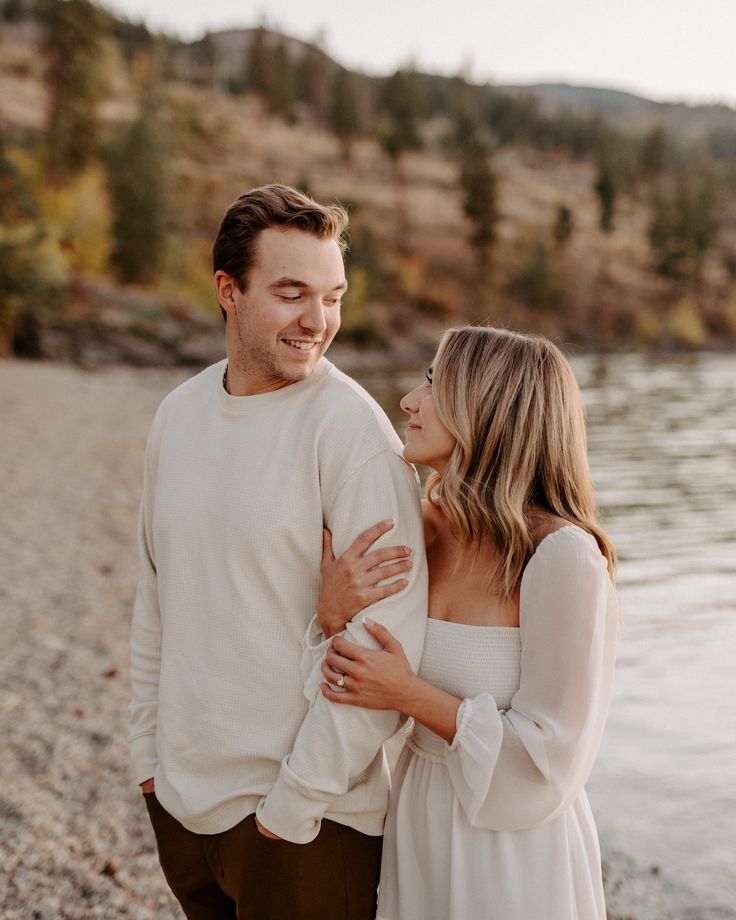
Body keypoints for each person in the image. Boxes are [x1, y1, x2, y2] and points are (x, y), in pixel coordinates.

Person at [128, 184, 429, 920]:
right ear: (228, 291)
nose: (318, 321)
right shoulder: (180, 414)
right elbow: (156, 597)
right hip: (183, 808)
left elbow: (390, 647)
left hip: (306, 828)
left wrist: (294, 806)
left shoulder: (352, 434)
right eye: (293, 293)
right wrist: (147, 763)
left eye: (333, 296)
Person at [312, 326, 619, 920]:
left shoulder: (560, 557)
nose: (409, 401)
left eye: (433, 383)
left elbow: (553, 758)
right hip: (418, 816)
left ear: (488, 407)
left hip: (512, 845)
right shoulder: (423, 526)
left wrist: (409, 693)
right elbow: (362, 674)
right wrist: (331, 615)